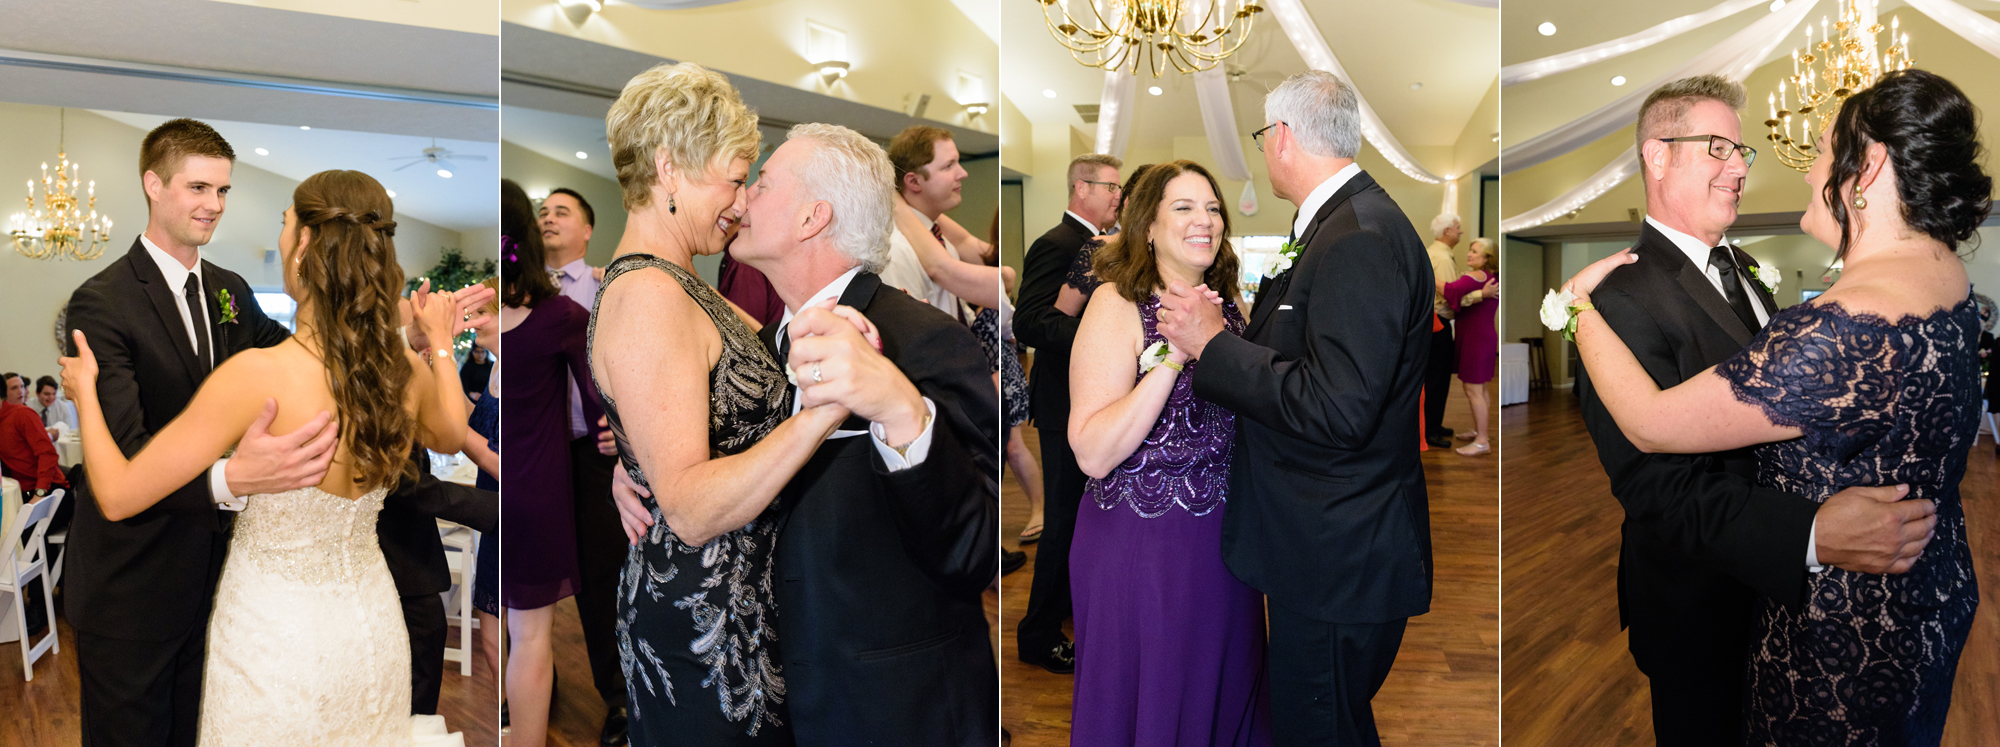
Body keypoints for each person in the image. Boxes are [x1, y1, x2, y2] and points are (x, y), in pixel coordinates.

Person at [1560, 69, 1987, 746]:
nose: (1741, 169)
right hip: (1706, 606)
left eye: (1742, 150)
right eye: (1718, 148)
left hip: (1816, 620)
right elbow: (1653, 482)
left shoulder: (1758, 275)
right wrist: (1810, 534)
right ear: (1658, 155)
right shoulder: (1620, 295)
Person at [610, 120, 999, 746]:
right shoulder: (760, 351)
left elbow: (973, 553)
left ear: (813, 217)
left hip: (895, 704)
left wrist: (904, 416)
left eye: (761, 184)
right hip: (772, 697)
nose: (741, 200)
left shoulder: (924, 340)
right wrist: (635, 464)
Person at [60, 167, 474, 745]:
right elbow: (453, 434)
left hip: (275, 632)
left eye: (284, 224)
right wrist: (439, 344)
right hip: (370, 623)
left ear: (304, 242)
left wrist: (85, 398)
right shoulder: (398, 369)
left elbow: (118, 492)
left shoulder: (259, 376)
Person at [1157, 70, 1432, 747]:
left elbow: (1340, 406)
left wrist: (1214, 346)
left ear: (1281, 137)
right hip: (1327, 541)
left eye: (1261, 136)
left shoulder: (1358, 238)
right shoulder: (1342, 225)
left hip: (1335, 554)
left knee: (1320, 729)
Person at [57, 119, 352, 747]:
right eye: (198, 188)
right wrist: (230, 478)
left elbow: (298, 355)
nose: (214, 206)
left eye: (222, 190)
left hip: (215, 578)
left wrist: (391, 336)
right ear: (153, 185)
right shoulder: (102, 303)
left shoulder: (230, 290)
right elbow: (128, 454)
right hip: (131, 580)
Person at [1067, 159, 1268, 745]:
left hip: (1226, 548)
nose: (1204, 220)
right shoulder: (1116, 305)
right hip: (1140, 550)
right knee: (1151, 700)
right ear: (1147, 227)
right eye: (1183, 207)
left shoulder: (1233, 307)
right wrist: (1174, 353)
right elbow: (1093, 452)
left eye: (1211, 208)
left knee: (1223, 690)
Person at [1012, 152, 1123, 674]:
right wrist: (1105, 340)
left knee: (1079, 516)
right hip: (1062, 403)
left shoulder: (1103, 244)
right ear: (1082, 188)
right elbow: (1030, 324)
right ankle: (1037, 633)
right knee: (1060, 520)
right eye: (1111, 187)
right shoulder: (1056, 245)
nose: (1118, 197)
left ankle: (1067, 604)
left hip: (1092, 400)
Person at [498, 178, 597, 747]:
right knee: (530, 635)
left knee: (500, 629)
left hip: (494, 488)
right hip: (538, 490)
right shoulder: (561, 315)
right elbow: (598, 402)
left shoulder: (480, 315)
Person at [539, 183, 632, 747]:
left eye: (562, 211)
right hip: (533, 458)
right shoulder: (516, 295)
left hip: (590, 455)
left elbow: (628, 365)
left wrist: (619, 428)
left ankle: (619, 697)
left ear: (588, 228)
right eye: (543, 212)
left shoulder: (605, 288)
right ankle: (532, 683)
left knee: (602, 581)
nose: (549, 218)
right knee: (528, 578)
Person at [879, 125, 983, 323]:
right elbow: (911, 330)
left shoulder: (942, 241)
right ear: (914, 182)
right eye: (948, 166)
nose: (962, 173)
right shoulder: (897, 250)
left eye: (958, 163)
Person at [1444, 238, 1498, 456]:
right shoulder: (1489, 277)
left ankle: (1482, 440)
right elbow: (1464, 297)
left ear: (1486, 258)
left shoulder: (1476, 276)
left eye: (1474, 251)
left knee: (1472, 389)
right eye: (1470, 250)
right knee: (1480, 388)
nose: (1469, 254)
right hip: (1482, 336)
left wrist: (1426, 274)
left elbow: (1449, 289)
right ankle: (1479, 430)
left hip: (1475, 339)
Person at [1423, 214, 1462, 447]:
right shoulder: (1443, 258)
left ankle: (1433, 424)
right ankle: (1431, 429)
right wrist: (1475, 296)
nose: (1460, 232)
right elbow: (1450, 295)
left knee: (1435, 378)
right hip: (1439, 323)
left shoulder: (1433, 252)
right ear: (1447, 231)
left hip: (1433, 322)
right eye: (1458, 228)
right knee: (1437, 378)